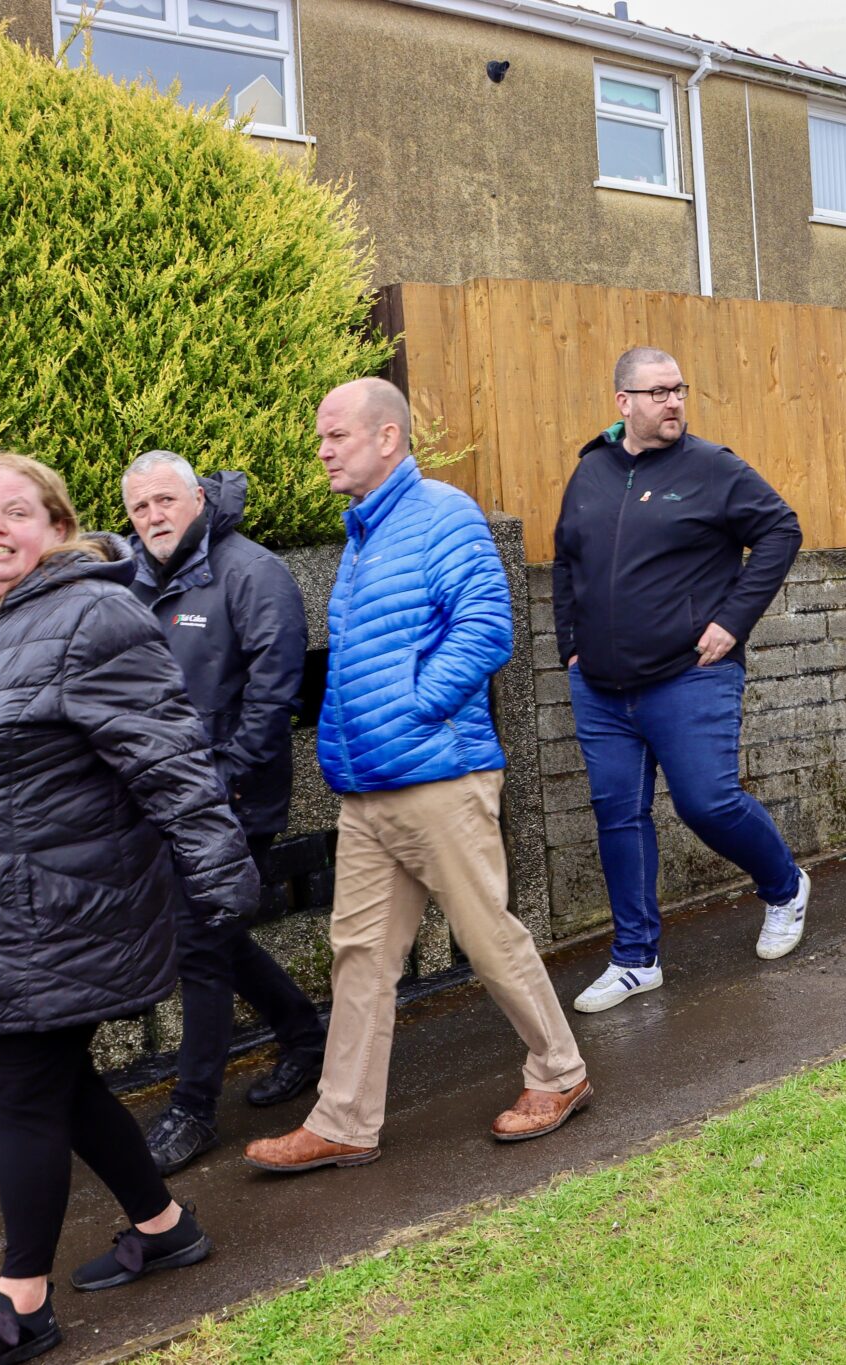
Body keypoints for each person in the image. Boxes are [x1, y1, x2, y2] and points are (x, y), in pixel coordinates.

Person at [0, 453, 259, 1365]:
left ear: (59, 527)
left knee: (27, 1093)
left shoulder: (93, 614)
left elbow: (168, 753)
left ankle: (20, 1304)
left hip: (63, 907)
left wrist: (220, 871)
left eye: (16, 513)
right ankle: (165, 1225)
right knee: (63, 1087)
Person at [244, 379, 591, 1175]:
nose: (323, 450)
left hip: (438, 773)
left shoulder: (443, 513)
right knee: (359, 952)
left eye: (337, 435)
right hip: (367, 789)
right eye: (323, 437)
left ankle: (560, 1072)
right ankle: (344, 1120)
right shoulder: (364, 535)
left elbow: (486, 629)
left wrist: (417, 707)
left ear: (388, 438)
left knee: (485, 934)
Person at [552, 347, 811, 1014]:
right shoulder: (590, 471)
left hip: (689, 675)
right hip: (601, 686)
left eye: (680, 390)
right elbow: (566, 559)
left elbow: (781, 529)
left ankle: (785, 887)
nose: (674, 402)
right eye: (658, 392)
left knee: (707, 802)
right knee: (618, 815)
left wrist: (733, 620)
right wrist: (570, 646)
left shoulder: (712, 468)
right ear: (623, 402)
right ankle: (635, 959)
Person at [120, 451, 323, 1174]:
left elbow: (274, 693)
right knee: (215, 938)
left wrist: (223, 785)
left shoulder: (250, 570)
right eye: (140, 507)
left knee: (202, 944)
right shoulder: (136, 577)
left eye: (165, 500)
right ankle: (305, 1034)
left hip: (234, 798)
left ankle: (194, 1108)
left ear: (198, 496)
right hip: (163, 798)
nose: (153, 516)